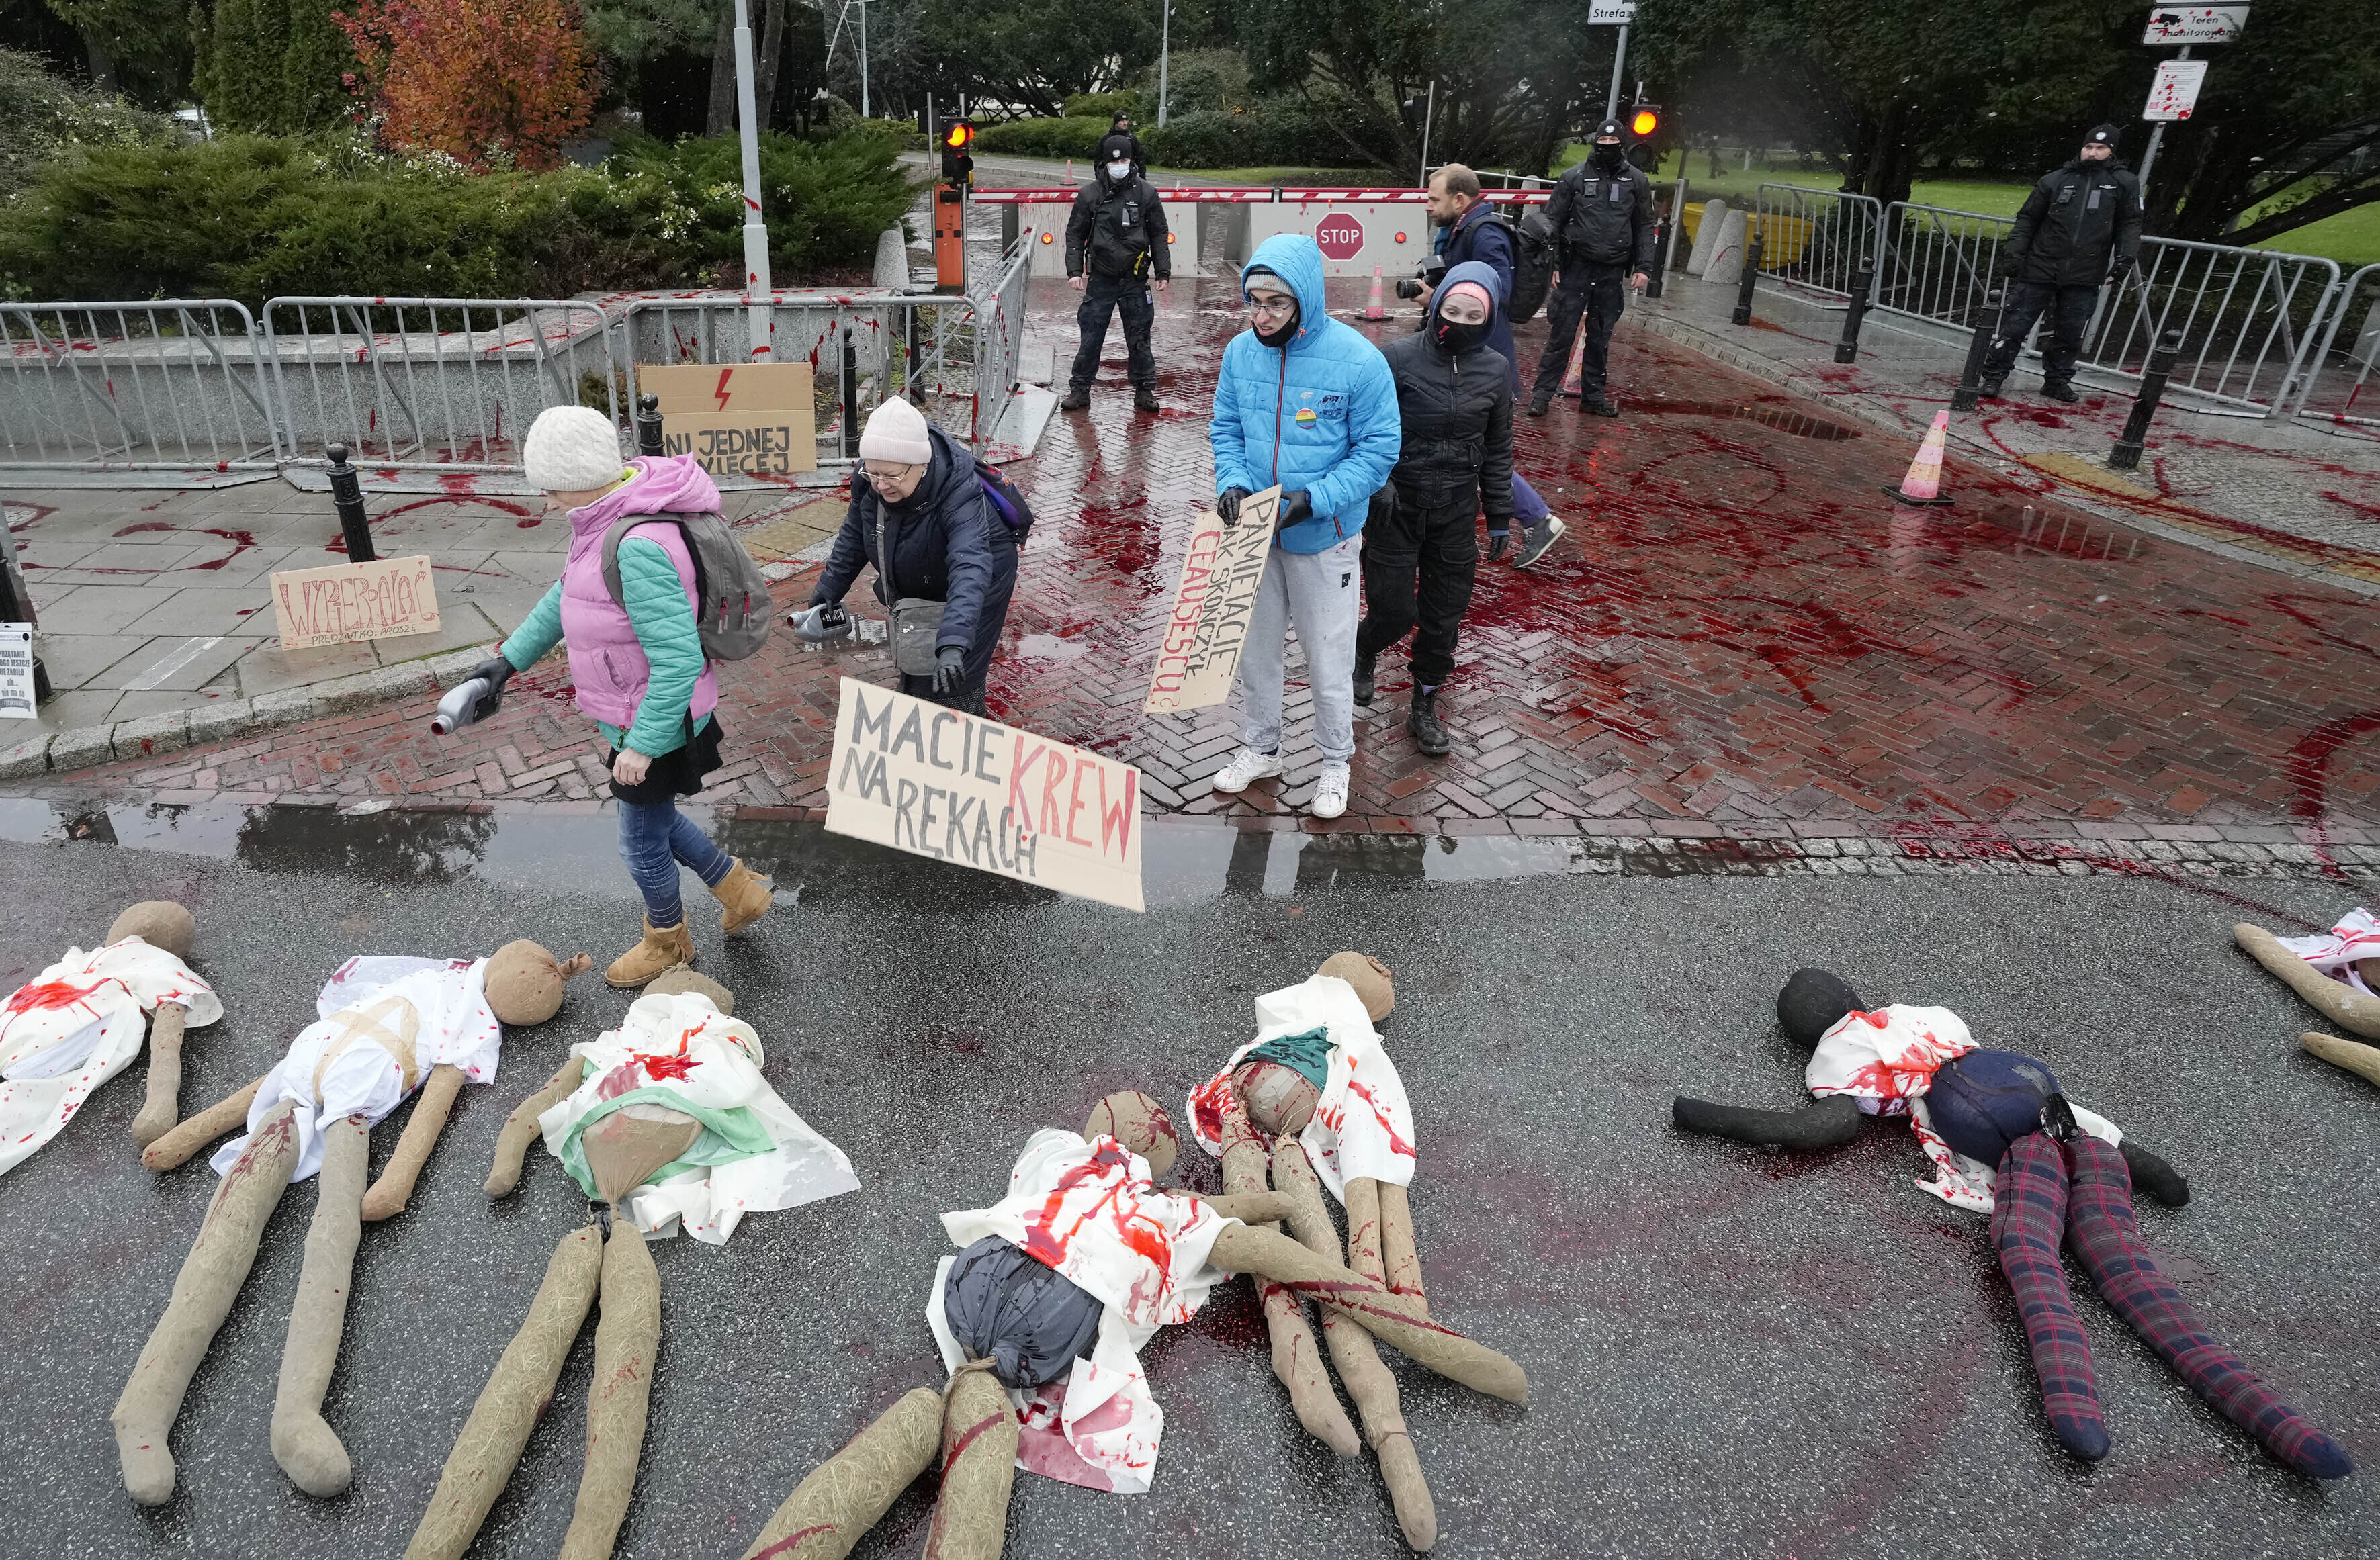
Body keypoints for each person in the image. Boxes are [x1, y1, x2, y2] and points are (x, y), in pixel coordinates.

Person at [467, 405, 773, 989]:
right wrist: (507, 662)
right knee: (653, 820)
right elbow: (567, 598)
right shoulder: (603, 523)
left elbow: (679, 658)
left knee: (639, 841)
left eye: (549, 487)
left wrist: (644, 746)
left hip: (657, 720)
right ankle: (740, 888)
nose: (546, 500)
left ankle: (667, 942)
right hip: (637, 715)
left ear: (578, 478)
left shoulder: (634, 544)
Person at [1208, 234, 1401, 821]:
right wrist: (1231, 484)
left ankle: (1334, 760)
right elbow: (1226, 428)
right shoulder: (1240, 353)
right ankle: (1261, 748)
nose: (1261, 317)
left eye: (1276, 304)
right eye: (1254, 302)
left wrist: (1313, 499)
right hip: (1254, 536)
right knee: (1256, 653)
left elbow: (1377, 451)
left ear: (1306, 301)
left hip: (1324, 535)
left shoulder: (1360, 360)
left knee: (1327, 656)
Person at [1355, 262, 1513, 759]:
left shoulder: (1495, 369)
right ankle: (1362, 650)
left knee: (1444, 618)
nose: (1460, 321)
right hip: (1396, 507)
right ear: (1436, 304)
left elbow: (1499, 446)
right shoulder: (1396, 358)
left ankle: (1424, 705)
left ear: (1486, 320)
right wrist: (1376, 483)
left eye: (1472, 314)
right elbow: (1365, 429)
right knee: (1394, 611)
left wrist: (1501, 514)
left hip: (1455, 511)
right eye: (1451, 309)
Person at [804, 397, 1016, 717]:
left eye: (891, 476)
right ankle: (916, 706)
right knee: (918, 650)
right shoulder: (871, 476)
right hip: (922, 569)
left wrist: (955, 642)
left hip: (980, 575)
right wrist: (829, 589)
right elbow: (854, 532)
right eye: (872, 474)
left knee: (954, 675)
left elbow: (969, 564)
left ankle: (961, 723)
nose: (881, 485)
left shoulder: (959, 491)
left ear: (922, 465)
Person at [1420, 163, 1565, 569]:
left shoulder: (1484, 232)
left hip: (1482, 366)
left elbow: (1493, 290)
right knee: (1470, 451)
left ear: (1459, 200)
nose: (1428, 206)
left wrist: (1438, 300)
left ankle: (1539, 520)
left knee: (1477, 454)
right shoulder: (1461, 229)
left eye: (1435, 199)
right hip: (1467, 361)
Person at [1980, 124, 2143, 404]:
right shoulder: (2056, 180)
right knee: (2015, 327)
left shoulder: (2123, 183)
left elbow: (2129, 224)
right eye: (2089, 147)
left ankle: (2057, 381)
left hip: (2085, 272)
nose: (2093, 153)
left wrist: (2124, 259)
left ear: (2112, 151)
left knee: (2070, 332)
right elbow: (2028, 218)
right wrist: (2015, 253)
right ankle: (1994, 375)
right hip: (2041, 267)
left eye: (2100, 148)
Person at [1528, 119, 1655, 420]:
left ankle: (1593, 397)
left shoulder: (1636, 181)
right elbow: (1552, 223)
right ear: (1594, 144)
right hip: (1576, 268)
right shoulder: (1573, 177)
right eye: (1602, 144)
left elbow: (1644, 225)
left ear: (1622, 146)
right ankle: (1542, 395)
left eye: (1613, 145)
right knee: (1562, 334)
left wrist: (1644, 266)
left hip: (1611, 271)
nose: (1607, 149)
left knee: (1600, 337)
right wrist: (1554, 264)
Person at [1061, 131, 1172, 414]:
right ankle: (1080, 390)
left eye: (1124, 159)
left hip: (1135, 278)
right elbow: (1075, 233)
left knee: (1139, 337)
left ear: (1131, 160)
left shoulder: (1146, 193)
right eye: (1114, 160)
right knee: (1091, 336)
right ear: (1104, 163)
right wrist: (1074, 271)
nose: (1119, 164)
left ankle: (1145, 390)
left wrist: (1163, 272)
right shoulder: (1090, 194)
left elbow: (1159, 233)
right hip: (1101, 278)